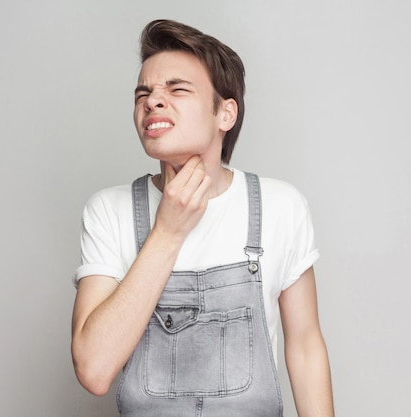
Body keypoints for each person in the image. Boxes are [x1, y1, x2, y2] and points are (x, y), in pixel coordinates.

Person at [71, 19, 334, 417]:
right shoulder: (109, 210)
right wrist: (167, 231)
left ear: (225, 113)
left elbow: (305, 347)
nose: (152, 101)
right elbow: (93, 369)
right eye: (144, 92)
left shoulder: (282, 206)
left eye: (177, 89)